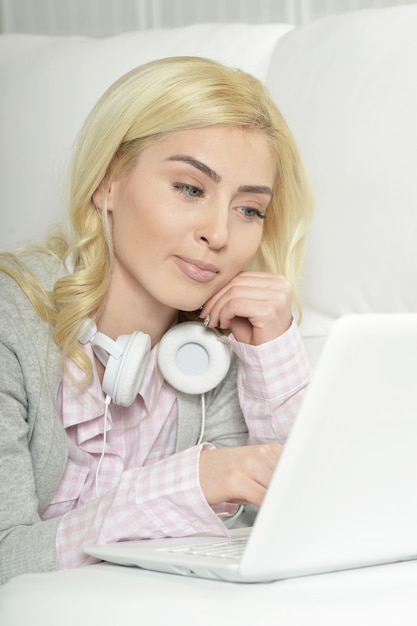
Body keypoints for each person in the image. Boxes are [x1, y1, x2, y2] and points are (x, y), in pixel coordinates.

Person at [0, 56, 313, 584]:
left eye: (249, 209)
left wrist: (272, 355)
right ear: (107, 183)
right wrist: (182, 485)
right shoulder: (12, 326)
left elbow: (296, 528)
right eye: (191, 189)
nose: (219, 233)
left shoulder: (208, 354)